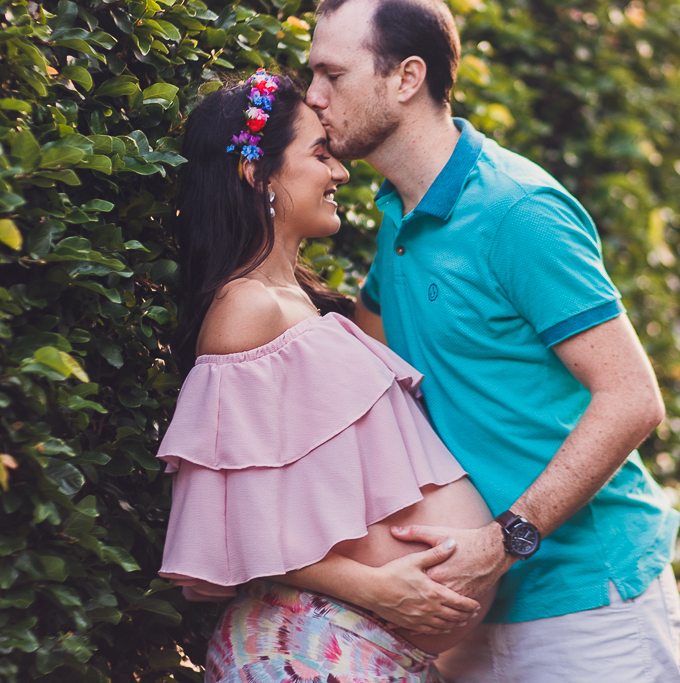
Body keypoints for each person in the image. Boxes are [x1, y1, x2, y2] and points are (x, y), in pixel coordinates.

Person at [304, 0, 680, 682]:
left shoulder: (518, 211)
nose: (314, 97)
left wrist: (504, 541)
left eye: (332, 74)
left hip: (584, 604)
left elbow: (633, 398)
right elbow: (365, 374)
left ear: (406, 78)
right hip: (465, 612)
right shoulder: (396, 218)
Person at [159, 70, 496, 682]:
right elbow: (231, 524)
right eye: (320, 154)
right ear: (256, 174)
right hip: (307, 644)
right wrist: (376, 589)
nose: (340, 172)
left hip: (353, 644)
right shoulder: (246, 309)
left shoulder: (299, 307)